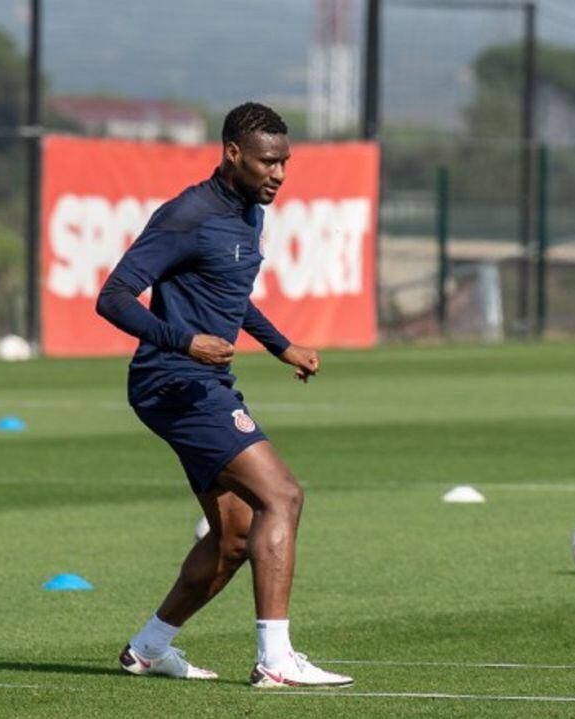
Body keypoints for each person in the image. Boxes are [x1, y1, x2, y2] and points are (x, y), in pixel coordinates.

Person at [96, 102, 353, 688]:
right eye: (267, 162)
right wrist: (184, 341)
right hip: (174, 381)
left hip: (200, 381)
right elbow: (112, 297)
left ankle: (148, 648)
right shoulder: (187, 215)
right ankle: (276, 661)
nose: (278, 174)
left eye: (285, 162)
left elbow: (230, 292)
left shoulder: (248, 211)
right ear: (233, 154)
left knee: (234, 536)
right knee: (283, 497)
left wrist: (281, 345)